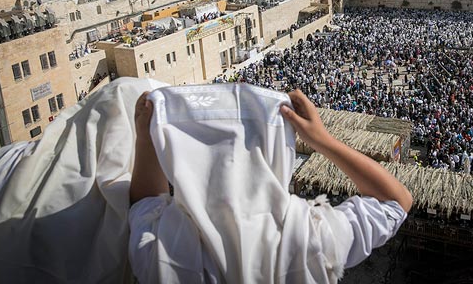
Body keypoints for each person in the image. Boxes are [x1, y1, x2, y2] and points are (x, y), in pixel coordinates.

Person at [129, 85, 412, 283]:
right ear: (276, 150)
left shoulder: (166, 251)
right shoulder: (310, 235)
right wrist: (321, 140)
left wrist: (145, 139)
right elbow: (396, 201)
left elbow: (145, 203)